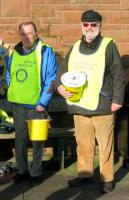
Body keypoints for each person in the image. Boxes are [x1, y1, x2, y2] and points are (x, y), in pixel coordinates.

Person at [56, 10, 125, 193]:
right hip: (79, 105)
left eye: (93, 24)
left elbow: (118, 74)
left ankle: (107, 179)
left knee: (105, 146)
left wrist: (117, 100)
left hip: (103, 105)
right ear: (81, 26)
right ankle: (85, 176)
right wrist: (59, 86)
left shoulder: (108, 46)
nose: (89, 28)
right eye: (86, 24)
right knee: (84, 144)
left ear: (99, 26)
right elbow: (62, 71)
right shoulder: (75, 46)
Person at [6, 21, 57, 184]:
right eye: (23, 34)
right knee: (20, 139)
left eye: (29, 33)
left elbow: (51, 79)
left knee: (37, 141)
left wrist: (43, 102)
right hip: (18, 103)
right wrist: (12, 90)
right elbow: (9, 74)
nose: (26, 37)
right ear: (19, 35)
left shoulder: (45, 51)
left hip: (37, 105)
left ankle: (35, 172)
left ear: (36, 34)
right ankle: (22, 170)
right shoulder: (15, 52)